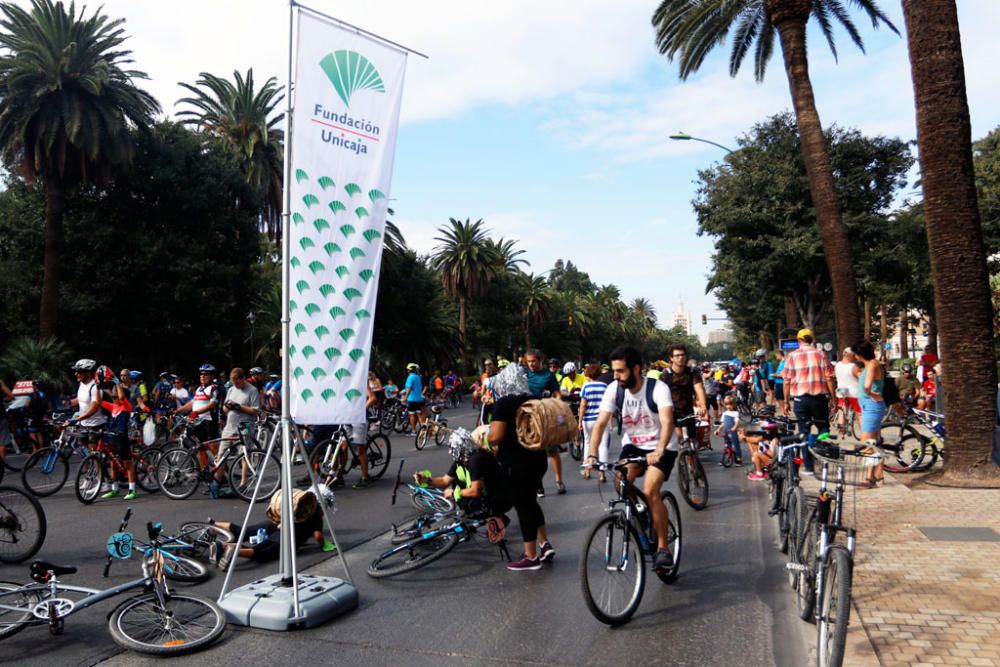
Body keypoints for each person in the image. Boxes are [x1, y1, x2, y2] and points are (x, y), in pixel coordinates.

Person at [586, 345, 677, 573]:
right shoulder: (614, 390)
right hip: (634, 444)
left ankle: (663, 549)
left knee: (650, 490)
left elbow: (667, 422)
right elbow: (600, 423)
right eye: (614, 371)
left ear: (636, 369)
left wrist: (659, 449)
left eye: (620, 371)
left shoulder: (658, 389)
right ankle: (644, 513)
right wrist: (592, 454)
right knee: (620, 482)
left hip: (662, 445)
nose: (615, 376)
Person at [487, 362, 553, 571]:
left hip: (516, 463)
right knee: (531, 502)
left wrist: (486, 436)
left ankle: (530, 556)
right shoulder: (533, 400)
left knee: (523, 506)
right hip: (538, 460)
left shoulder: (504, 404)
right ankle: (544, 544)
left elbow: (496, 437)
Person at [209, 489, 335, 569]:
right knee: (259, 552)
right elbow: (318, 536)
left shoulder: (299, 504)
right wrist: (323, 545)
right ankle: (226, 547)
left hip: (275, 524)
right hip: (285, 537)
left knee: (244, 532)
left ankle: (213, 525)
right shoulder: (316, 518)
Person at [414, 428, 509, 519]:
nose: (450, 451)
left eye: (452, 448)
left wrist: (454, 493)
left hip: (500, 499)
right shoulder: (461, 461)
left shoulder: (476, 460)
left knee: (457, 491)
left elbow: (475, 492)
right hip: (490, 495)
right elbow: (444, 481)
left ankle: (493, 516)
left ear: (460, 448)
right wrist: (426, 479)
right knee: (456, 483)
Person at [781, 329, 836, 476]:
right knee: (823, 428)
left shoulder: (791, 356)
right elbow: (829, 378)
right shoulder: (820, 353)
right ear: (812, 339)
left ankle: (809, 467)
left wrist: (786, 402)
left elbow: (786, 381)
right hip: (819, 399)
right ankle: (824, 460)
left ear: (799, 341)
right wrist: (834, 399)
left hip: (800, 400)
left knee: (804, 432)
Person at [524, 350, 563, 496]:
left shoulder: (549, 376)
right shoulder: (525, 376)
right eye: (529, 362)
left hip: (547, 417)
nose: (531, 364)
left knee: (552, 451)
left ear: (540, 360)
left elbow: (557, 394)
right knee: (533, 453)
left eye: (533, 361)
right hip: (529, 418)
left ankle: (559, 481)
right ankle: (538, 485)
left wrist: (559, 412)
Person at [94, 365, 137, 499]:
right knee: (113, 463)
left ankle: (132, 490)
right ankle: (115, 489)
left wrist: (118, 383)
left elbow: (122, 396)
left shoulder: (126, 407)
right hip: (112, 437)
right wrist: (97, 386)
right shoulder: (113, 406)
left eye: (115, 396)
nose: (113, 397)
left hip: (122, 437)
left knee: (127, 464)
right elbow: (99, 401)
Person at [852, 340, 886, 487]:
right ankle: (878, 474)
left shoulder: (872, 364)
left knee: (867, 443)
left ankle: (869, 477)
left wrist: (871, 392)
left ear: (859, 354)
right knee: (875, 441)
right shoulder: (871, 364)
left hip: (872, 405)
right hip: (870, 405)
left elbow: (867, 386)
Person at [659, 343, 706, 443]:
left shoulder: (692, 372)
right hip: (671, 412)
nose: (681, 357)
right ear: (671, 358)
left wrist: (703, 406)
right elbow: (659, 393)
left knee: (693, 441)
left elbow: (699, 390)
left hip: (688, 410)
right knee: (678, 437)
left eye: (682, 355)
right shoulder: (666, 374)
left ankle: (694, 455)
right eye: (677, 355)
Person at [221, 368, 261, 477]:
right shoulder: (231, 390)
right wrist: (227, 406)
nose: (236, 385)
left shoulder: (252, 390)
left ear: (243, 378)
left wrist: (239, 407)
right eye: (234, 383)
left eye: (238, 383)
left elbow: (255, 410)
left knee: (244, 454)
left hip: (245, 425)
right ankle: (216, 483)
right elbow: (224, 410)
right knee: (221, 456)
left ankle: (244, 481)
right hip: (229, 426)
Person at [578, 363, 610, 482]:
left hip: (588, 420)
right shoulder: (604, 386)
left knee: (587, 443)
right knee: (603, 445)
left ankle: (587, 469)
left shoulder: (586, 387)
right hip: (602, 420)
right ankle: (602, 473)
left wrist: (580, 421)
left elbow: (583, 405)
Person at [173, 364, 221, 444]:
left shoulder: (213, 388)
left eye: (206, 374)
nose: (202, 376)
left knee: (212, 446)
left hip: (209, 422)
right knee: (199, 446)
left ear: (212, 376)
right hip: (198, 421)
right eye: (201, 374)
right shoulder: (199, 389)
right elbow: (192, 403)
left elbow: (212, 404)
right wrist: (178, 410)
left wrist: (196, 412)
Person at [69, 358, 106, 447]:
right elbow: (81, 399)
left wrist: (75, 419)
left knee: (92, 456)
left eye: (79, 372)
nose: (76, 374)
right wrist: (67, 403)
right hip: (83, 424)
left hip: (95, 425)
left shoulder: (95, 387)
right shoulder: (82, 384)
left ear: (88, 373)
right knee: (84, 453)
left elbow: (93, 409)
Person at [834, 348, 861, 437]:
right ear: (851, 356)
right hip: (854, 393)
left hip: (842, 392)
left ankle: (841, 433)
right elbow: (861, 378)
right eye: (854, 356)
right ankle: (864, 433)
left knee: (842, 411)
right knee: (859, 414)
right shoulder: (853, 367)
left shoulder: (837, 365)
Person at [714, 394, 743, 466]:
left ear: (734, 404)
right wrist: (718, 429)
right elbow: (723, 423)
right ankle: (726, 458)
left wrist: (734, 427)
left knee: (736, 444)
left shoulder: (735, 413)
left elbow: (737, 422)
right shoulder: (725, 413)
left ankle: (739, 458)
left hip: (733, 432)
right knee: (727, 445)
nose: (728, 406)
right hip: (726, 432)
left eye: (730, 404)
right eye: (727, 404)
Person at [402, 363, 426, 435]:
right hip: (419, 399)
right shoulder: (418, 377)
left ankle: (413, 431)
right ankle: (423, 430)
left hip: (412, 399)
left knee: (412, 415)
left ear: (409, 370)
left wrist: (405, 397)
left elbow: (409, 388)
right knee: (419, 415)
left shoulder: (410, 377)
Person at [770, 351, 786, 416]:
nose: (776, 357)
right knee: (779, 398)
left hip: (781, 383)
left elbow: (783, 374)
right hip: (778, 382)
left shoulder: (784, 362)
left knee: (780, 398)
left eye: (777, 355)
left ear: (780, 355)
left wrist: (774, 375)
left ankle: (784, 412)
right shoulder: (781, 362)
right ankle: (783, 412)